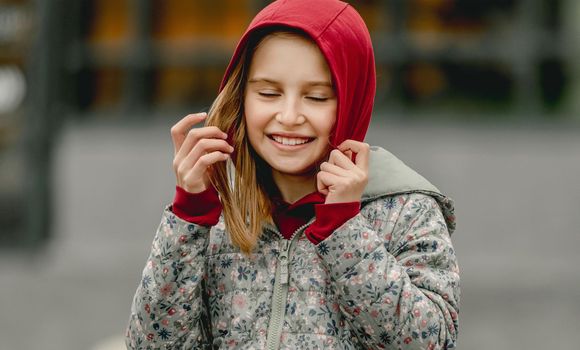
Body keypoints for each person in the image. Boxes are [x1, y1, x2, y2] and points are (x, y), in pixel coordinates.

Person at [125, 0, 460, 349]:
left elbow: (431, 343)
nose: (288, 115)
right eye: (268, 93)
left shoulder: (406, 210)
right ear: (241, 96)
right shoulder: (217, 214)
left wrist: (344, 230)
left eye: (316, 97)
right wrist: (189, 215)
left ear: (352, 101)